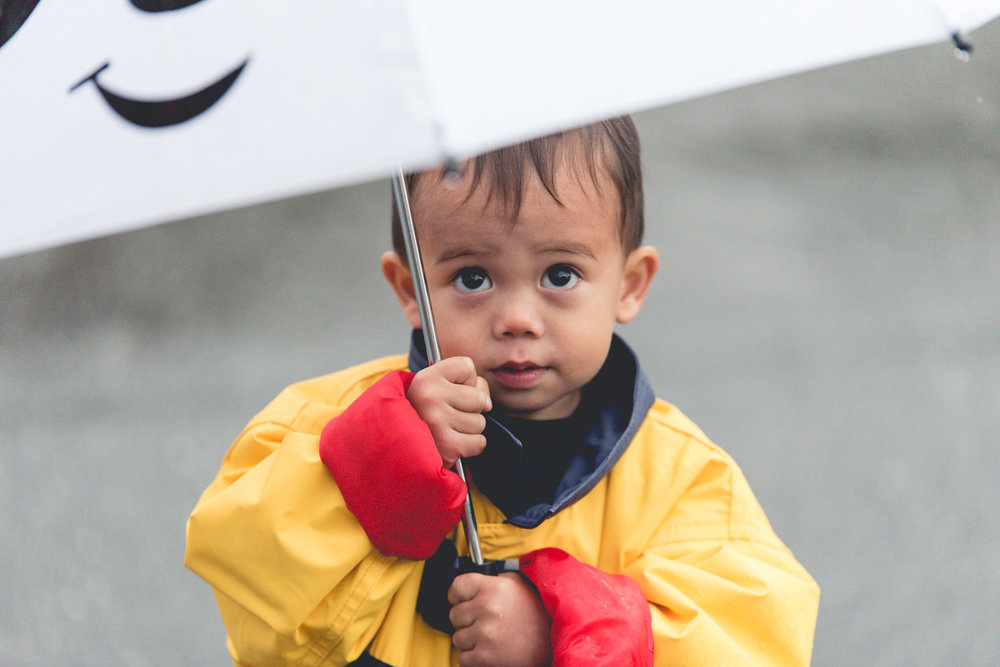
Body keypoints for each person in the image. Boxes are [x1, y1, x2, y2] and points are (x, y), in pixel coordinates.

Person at [185, 116, 819, 666]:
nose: (517, 316)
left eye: (560, 274)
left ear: (630, 283)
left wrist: (564, 633)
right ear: (410, 289)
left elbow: (754, 636)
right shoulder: (317, 428)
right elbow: (257, 616)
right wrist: (377, 470)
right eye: (472, 277)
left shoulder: (682, 479)